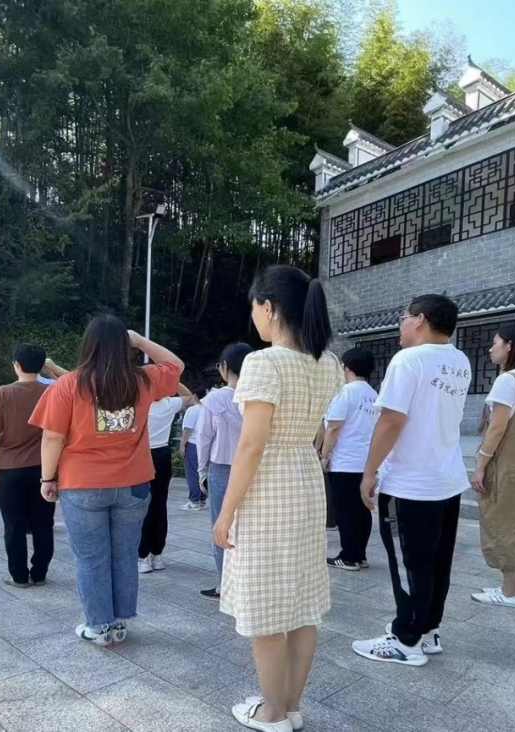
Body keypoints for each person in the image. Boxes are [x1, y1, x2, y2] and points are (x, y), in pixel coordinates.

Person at [212, 265, 343, 732]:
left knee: (266, 605)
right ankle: (290, 706)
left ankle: (272, 714)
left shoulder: (263, 362)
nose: (254, 316)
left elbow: (251, 445)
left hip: (269, 485)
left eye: (255, 307)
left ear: (269, 308)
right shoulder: (327, 362)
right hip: (305, 479)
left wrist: (225, 513)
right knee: (302, 603)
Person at [29, 316, 183, 647]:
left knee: (91, 558)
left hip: (82, 483)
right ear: (124, 346)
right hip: (134, 483)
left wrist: (47, 478)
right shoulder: (142, 380)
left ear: (89, 344)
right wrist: (139, 340)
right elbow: (176, 365)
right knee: (124, 554)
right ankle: (119, 621)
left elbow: (52, 438)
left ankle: (99, 625)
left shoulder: (69, 384)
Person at [352, 295, 470, 667]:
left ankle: (406, 640)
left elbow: (391, 420)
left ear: (419, 320)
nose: (400, 326)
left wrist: (369, 471)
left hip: (411, 482)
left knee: (410, 562)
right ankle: (428, 628)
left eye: (402, 318)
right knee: (437, 561)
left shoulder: (409, 360)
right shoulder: (460, 360)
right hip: (446, 478)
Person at [469, 323, 515, 607]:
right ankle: (513, 586)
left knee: (503, 522)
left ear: (510, 345)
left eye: (495, 343)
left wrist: (480, 464)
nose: (491, 349)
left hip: (506, 461)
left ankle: (511, 592)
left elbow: (497, 428)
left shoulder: (508, 380)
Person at [0, 344, 54, 588]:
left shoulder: (3, 393)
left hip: (10, 469)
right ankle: (40, 573)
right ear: (42, 365)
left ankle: (19, 576)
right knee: (44, 523)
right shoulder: (51, 392)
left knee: (13, 524)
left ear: (16, 365)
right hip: (45, 468)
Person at [196, 342, 253, 599]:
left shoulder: (214, 399)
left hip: (222, 469)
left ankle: (224, 585)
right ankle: (248, 583)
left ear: (225, 367)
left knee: (221, 527)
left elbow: (204, 439)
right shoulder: (257, 396)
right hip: (253, 468)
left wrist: (202, 472)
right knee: (249, 527)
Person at [320, 348, 379, 572]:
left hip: (345, 462)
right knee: (362, 510)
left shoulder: (346, 393)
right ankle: (360, 555)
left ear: (346, 367)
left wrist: (325, 456)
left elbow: (333, 427)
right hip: (366, 463)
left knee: (346, 511)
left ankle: (349, 557)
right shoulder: (374, 396)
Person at [139, 384, 195, 574]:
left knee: (142, 507)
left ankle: (143, 556)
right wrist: (173, 379)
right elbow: (189, 395)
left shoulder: (138, 403)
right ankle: (157, 555)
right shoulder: (169, 403)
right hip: (162, 456)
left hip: (141, 456)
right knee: (159, 506)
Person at [180, 393, 207, 511]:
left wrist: (182, 445)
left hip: (192, 444)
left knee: (192, 473)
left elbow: (187, 429)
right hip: (205, 445)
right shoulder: (207, 409)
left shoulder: (193, 410)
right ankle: (202, 499)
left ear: (195, 396)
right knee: (203, 472)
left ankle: (194, 500)